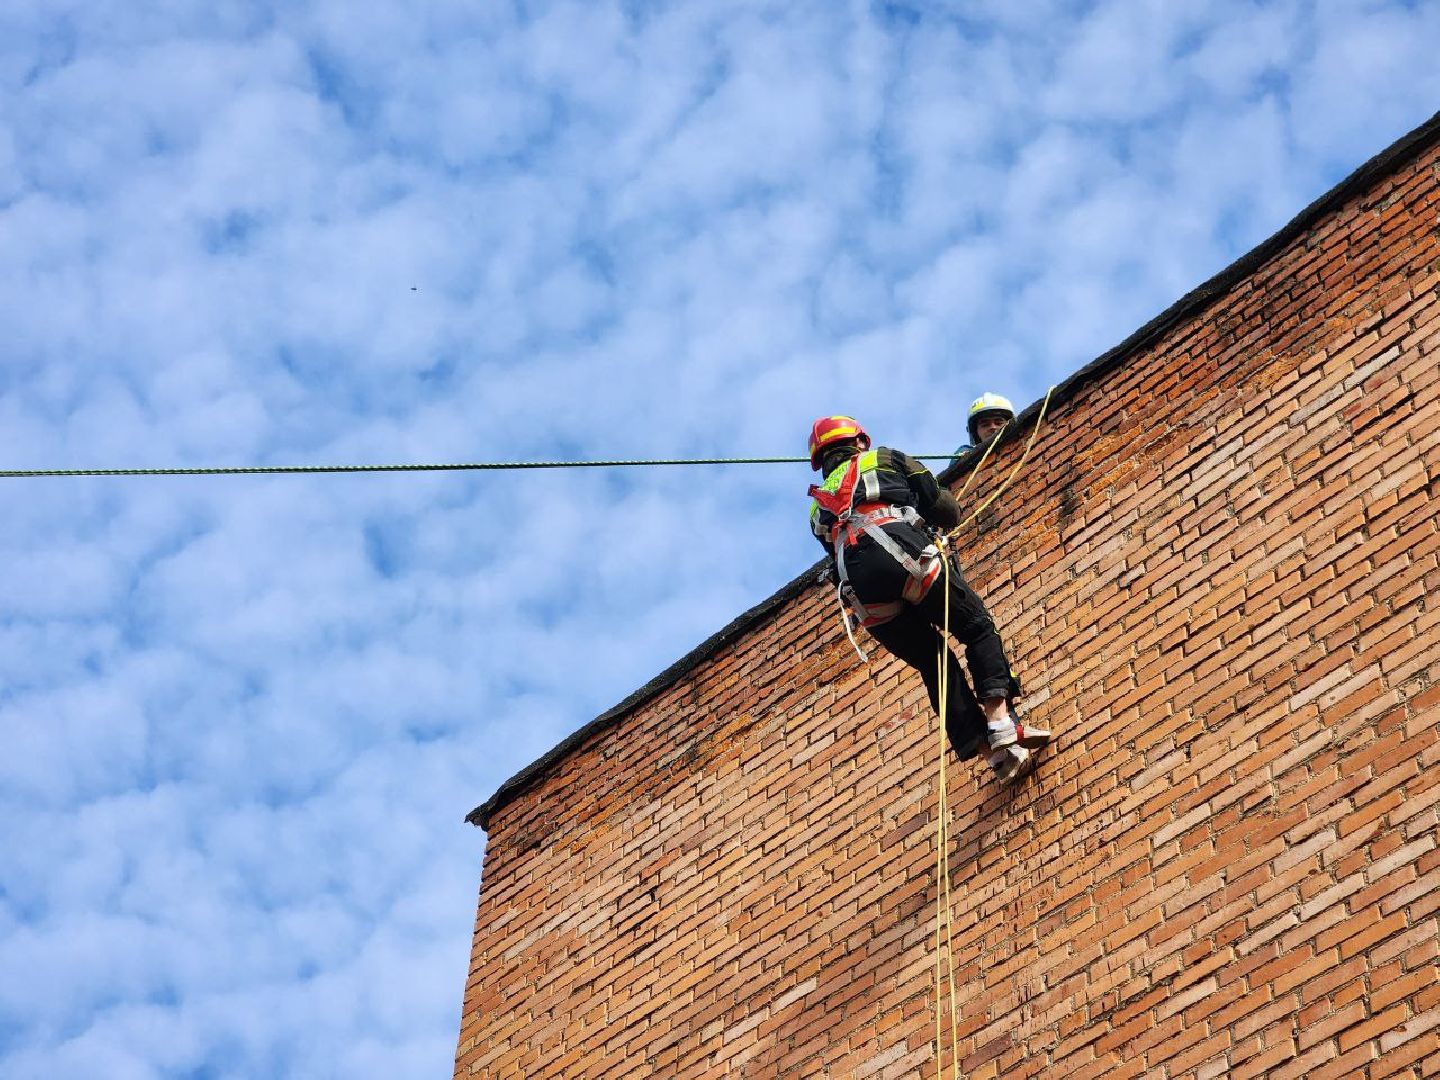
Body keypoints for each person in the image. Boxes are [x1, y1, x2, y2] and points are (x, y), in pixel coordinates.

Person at [807, 416, 1049, 784]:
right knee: (976, 627)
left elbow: (837, 548)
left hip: (862, 595)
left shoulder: (815, 509)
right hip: (906, 559)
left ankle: (991, 754)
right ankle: (1000, 722)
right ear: (860, 442)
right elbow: (945, 510)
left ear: (820, 458)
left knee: (933, 661)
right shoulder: (886, 458)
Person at [951, 393, 1016, 461]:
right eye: (985, 425)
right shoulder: (964, 452)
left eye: (998, 423)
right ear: (976, 432)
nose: (993, 427)